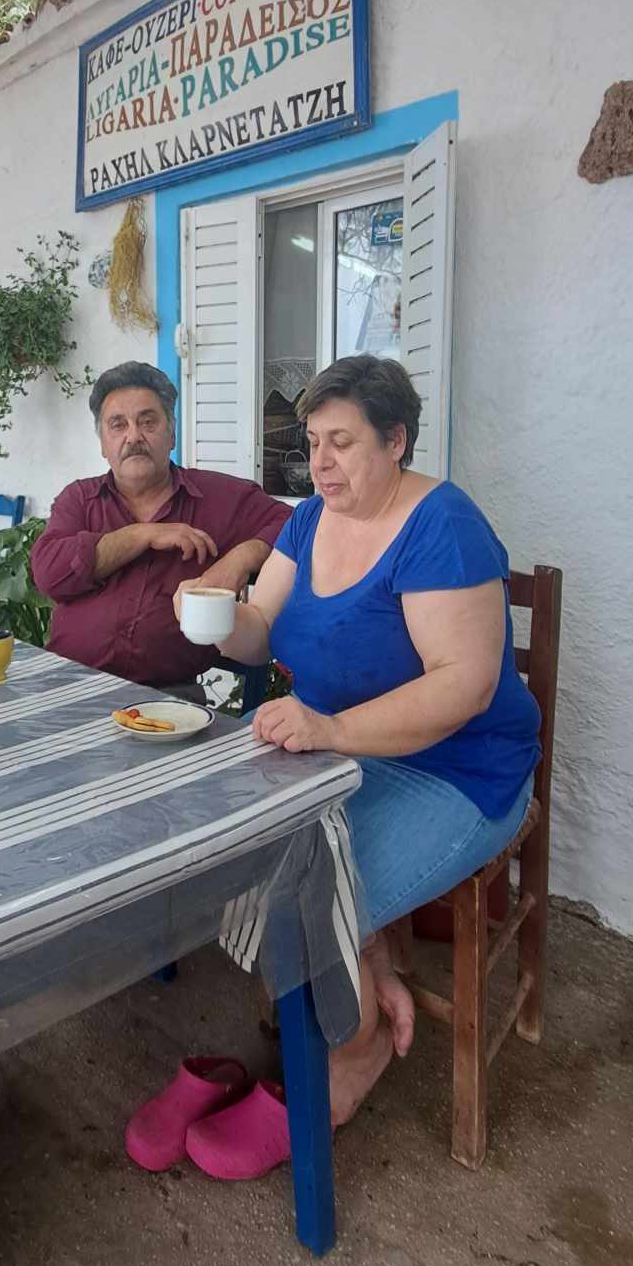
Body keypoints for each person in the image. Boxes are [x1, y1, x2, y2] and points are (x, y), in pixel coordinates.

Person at [129, 353, 541, 1180]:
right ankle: (370, 973)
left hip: (455, 773)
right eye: (311, 442)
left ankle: (354, 1051)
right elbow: (260, 631)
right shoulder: (311, 520)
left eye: (341, 442)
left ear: (396, 440)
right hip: (336, 751)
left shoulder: (442, 525)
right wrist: (219, 619)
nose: (318, 462)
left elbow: (463, 686)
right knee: (231, 855)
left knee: (299, 897)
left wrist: (331, 728)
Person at [31, 361, 288, 691]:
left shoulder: (218, 498)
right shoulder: (80, 499)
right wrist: (143, 535)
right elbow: (50, 575)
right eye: (118, 425)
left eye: (148, 422)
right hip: (67, 685)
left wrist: (239, 561)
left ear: (172, 434)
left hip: (168, 697)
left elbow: (297, 524)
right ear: (103, 444)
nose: (133, 436)